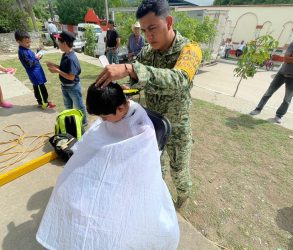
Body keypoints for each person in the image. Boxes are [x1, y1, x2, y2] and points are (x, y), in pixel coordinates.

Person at [36, 82, 179, 249]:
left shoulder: (142, 129)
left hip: (126, 178)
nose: (102, 121)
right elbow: (94, 140)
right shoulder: (111, 112)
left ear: (120, 108)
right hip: (106, 168)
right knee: (67, 191)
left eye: (104, 117)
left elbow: (141, 164)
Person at [95, 0, 203, 208]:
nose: (148, 35)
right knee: (156, 170)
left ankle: (182, 200)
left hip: (178, 128)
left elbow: (179, 80)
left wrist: (129, 68)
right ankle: (159, 202)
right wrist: (124, 91)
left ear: (169, 21)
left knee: (179, 171)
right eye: (144, 30)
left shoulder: (190, 49)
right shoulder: (147, 52)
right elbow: (138, 84)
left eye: (152, 28)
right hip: (153, 126)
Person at [46, 31, 88, 126]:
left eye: (59, 42)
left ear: (64, 43)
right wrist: (54, 65)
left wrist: (57, 71)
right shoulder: (65, 54)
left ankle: (84, 122)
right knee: (68, 106)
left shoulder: (71, 58)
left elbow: (71, 76)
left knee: (79, 106)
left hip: (73, 87)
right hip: (65, 86)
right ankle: (70, 122)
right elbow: (65, 69)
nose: (58, 44)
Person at [15, 30, 56, 110]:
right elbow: (29, 64)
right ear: (18, 42)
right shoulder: (22, 52)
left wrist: (38, 52)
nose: (29, 44)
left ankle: (42, 102)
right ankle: (44, 102)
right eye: (27, 43)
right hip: (34, 73)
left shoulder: (26, 49)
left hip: (37, 70)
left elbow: (33, 57)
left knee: (38, 87)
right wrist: (37, 59)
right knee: (40, 87)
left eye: (29, 42)